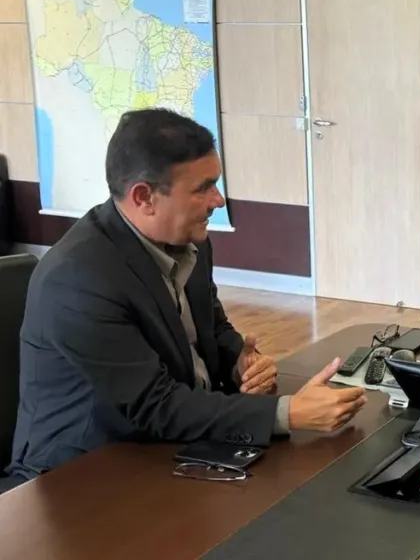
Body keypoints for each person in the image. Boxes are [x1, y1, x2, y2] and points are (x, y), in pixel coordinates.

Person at [2, 108, 366, 490]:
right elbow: (155, 405)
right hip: (79, 475)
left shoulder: (191, 240)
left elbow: (212, 328)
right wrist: (286, 413)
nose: (218, 200)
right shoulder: (78, 278)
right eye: (203, 188)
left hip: (167, 443)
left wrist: (240, 362)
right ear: (144, 197)